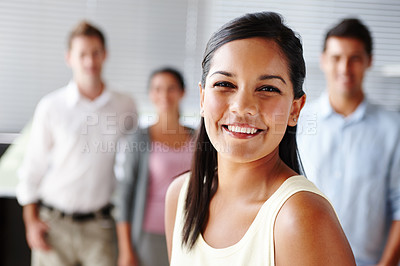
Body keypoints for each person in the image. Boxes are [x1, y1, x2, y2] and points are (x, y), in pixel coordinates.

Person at [165, 11, 355, 266]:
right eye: (225, 84)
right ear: (202, 99)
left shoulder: (301, 217)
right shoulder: (180, 196)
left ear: (295, 110)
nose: (243, 107)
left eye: (267, 89)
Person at [16, 20, 137, 266]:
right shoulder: (51, 106)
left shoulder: (126, 105)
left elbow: (130, 166)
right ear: (69, 57)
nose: (89, 61)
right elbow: (32, 168)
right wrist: (31, 223)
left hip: (100, 227)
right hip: (54, 227)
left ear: (105, 55)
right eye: (82, 54)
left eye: (95, 53)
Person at [297, 18, 400, 266]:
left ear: (369, 61)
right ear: (323, 60)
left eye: (354, 58)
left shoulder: (393, 128)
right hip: (302, 258)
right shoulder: (297, 121)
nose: (345, 68)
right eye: (336, 58)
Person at [114, 67, 195, 266]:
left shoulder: (198, 137)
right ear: (150, 94)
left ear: (182, 92)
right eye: (157, 89)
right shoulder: (140, 138)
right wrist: (125, 251)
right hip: (150, 236)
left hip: (189, 234)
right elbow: (125, 196)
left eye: (171, 88)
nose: (164, 95)